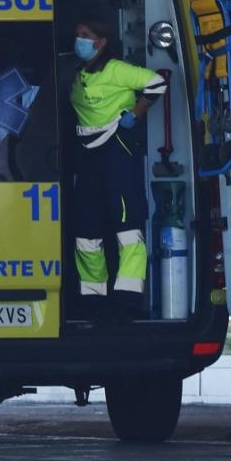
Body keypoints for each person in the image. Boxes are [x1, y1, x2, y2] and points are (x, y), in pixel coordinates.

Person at [69, 18, 167, 318]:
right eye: (77, 35)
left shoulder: (116, 70)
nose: (79, 41)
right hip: (87, 154)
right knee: (87, 231)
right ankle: (93, 299)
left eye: (85, 35)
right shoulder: (79, 75)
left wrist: (134, 115)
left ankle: (127, 298)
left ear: (101, 42)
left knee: (126, 225)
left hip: (117, 150)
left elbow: (157, 83)